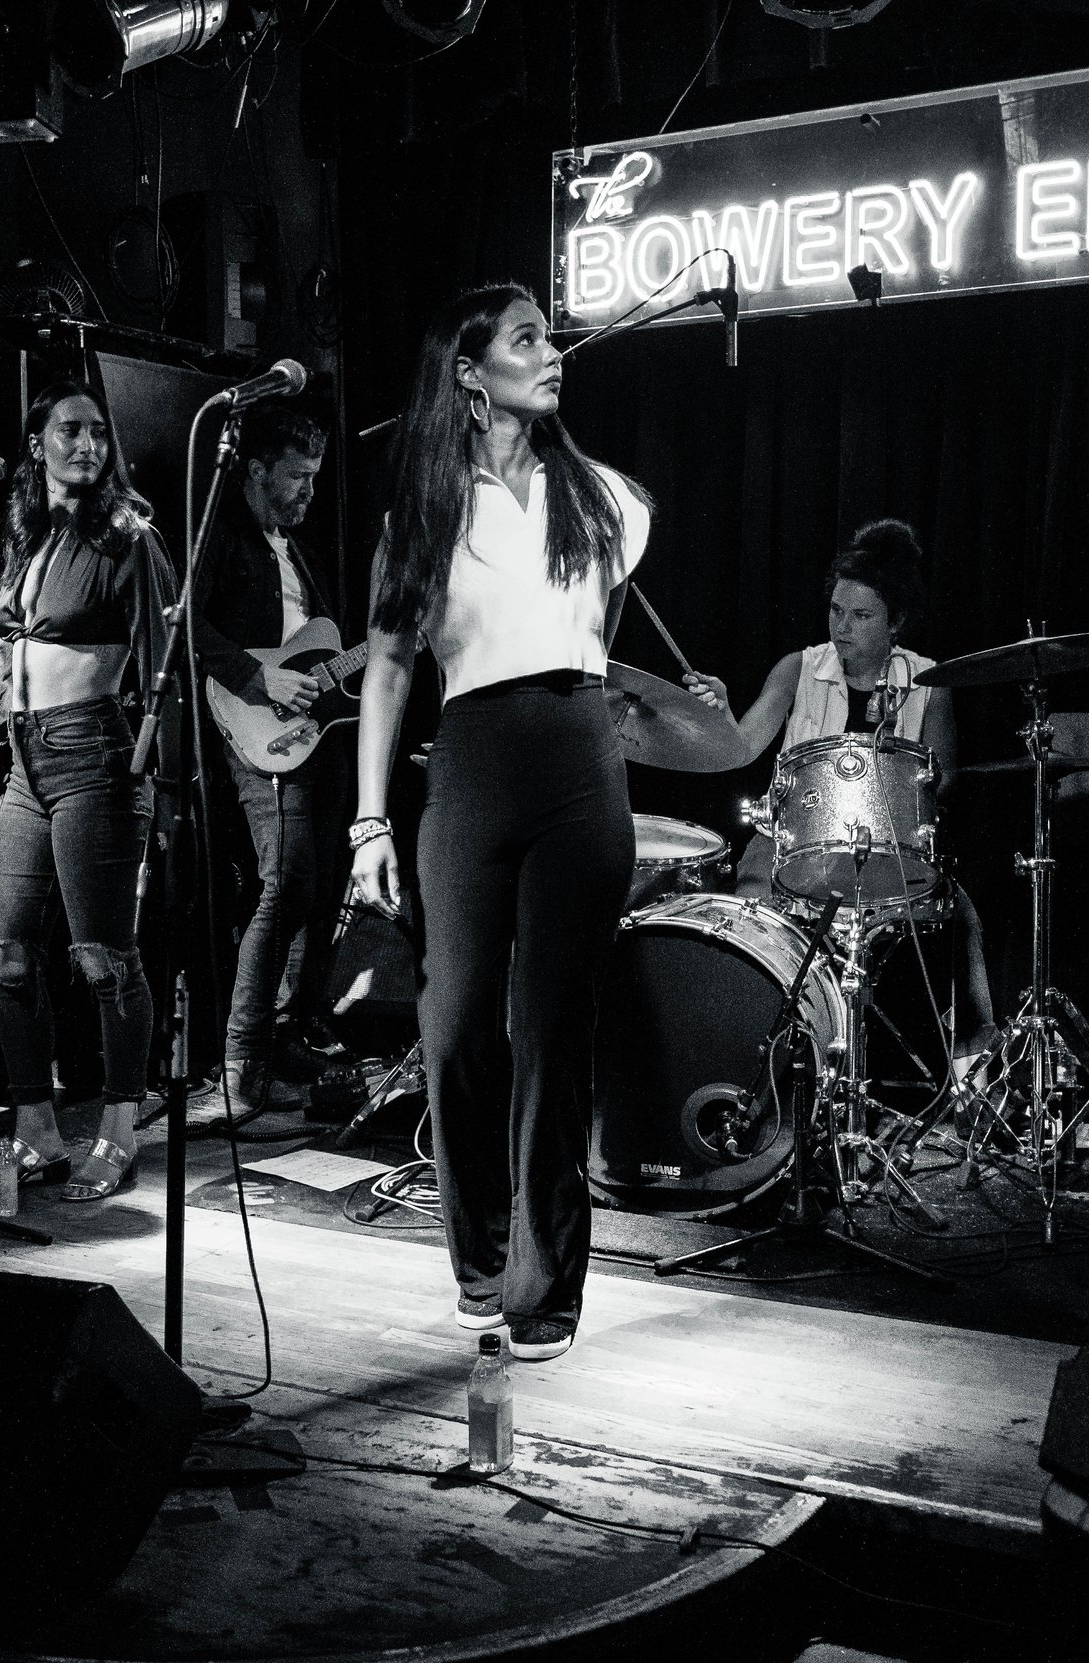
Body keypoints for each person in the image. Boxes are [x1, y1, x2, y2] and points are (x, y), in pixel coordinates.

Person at [349, 282, 652, 1363]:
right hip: (471, 764)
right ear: (471, 375)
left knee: (555, 1034)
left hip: (578, 760)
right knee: (457, 1027)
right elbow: (388, 669)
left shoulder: (607, 499)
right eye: (528, 339)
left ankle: (545, 1283)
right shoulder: (422, 515)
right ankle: (478, 1257)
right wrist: (368, 823)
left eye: (551, 336)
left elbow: (601, 636)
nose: (553, 351)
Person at [0, 381, 177, 1202]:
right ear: (36, 442)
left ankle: (120, 1128)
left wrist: (160, 781)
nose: (87, 445)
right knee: (5, 955)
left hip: (95, 759)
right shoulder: (28, 535)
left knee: (104, 957)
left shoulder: (130, 539)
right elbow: (6, 655)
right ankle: (36, 1128)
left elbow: (164, 666)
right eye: (70, 431)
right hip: (23, 762)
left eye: (98, 433)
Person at [687, 519, 995, 1051]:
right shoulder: (799, 668)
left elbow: (940, 784)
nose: (842, 627)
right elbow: (740, 747)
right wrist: (718, 710)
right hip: (788, 844)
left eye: (861, 615)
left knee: (959, 917)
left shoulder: (928, 683)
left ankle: (966, 1066)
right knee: (749, 917)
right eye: (836, 610)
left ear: (896, 622)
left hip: (887, 852)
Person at [191, 401, 348, 1123]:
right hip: (251, 728)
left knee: (313, 887)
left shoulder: (298, 550)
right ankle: (241, 1057)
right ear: (255, 471)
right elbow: (184, 624)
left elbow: (317, 647)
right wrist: (260, 680)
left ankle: (282, 1038)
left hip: (308, 736)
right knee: (283, 884)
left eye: (315, 475)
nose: (310, 489)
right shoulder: (222, 536)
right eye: (297, 475)